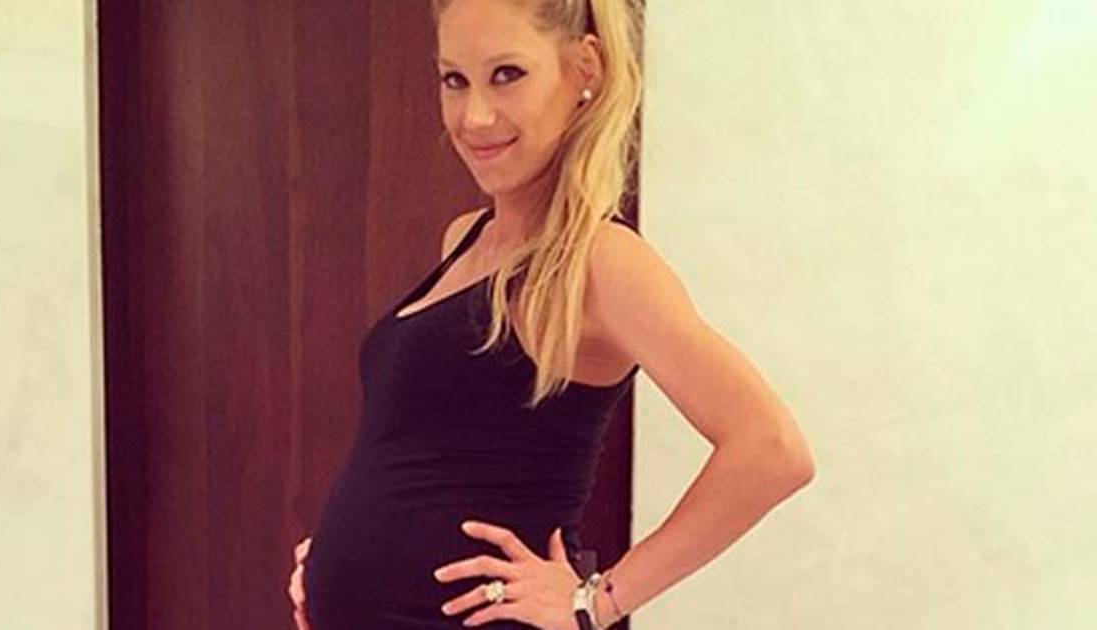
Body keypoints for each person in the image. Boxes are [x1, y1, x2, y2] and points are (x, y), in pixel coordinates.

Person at [288, 0, 815, 628]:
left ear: (583, 68)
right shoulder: (465, 237)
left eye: (507, 75)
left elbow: (771, 449)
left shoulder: (598, 260)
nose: (474, 116)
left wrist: (596, 601)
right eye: (455, 79)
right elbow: (427, 454)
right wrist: (339, 560)